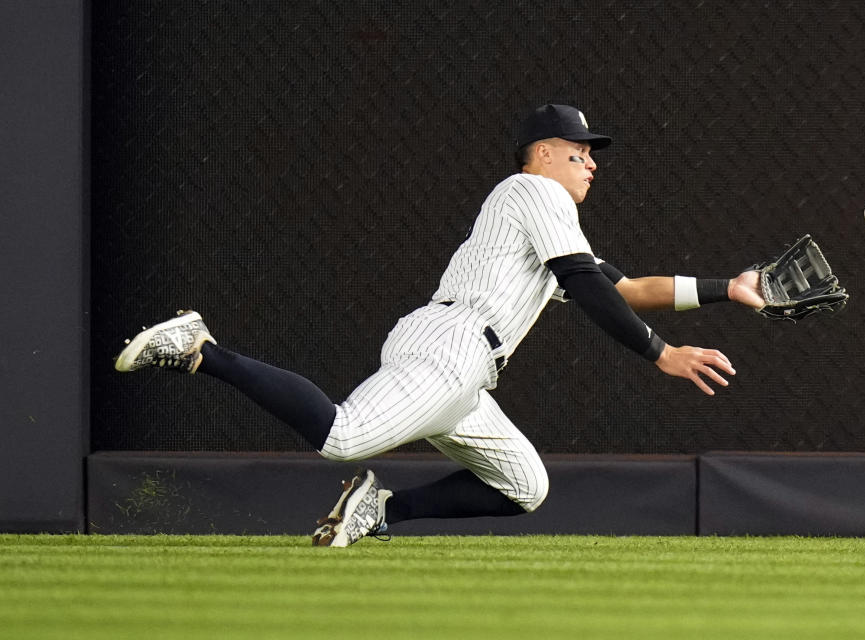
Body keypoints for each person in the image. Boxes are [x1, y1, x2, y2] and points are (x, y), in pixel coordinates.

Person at [115, 104, 764, 547]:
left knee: (524, 486)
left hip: (466, 369)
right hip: (451, 349)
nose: (592, 162)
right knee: (342, 435)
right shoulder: (533, 193)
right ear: (543, 153)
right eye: (580, 151)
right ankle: (200, 346)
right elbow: (588, 285)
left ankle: (377, 510)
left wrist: (726, 290)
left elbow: (626, 288)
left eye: (593, 154)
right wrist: (660, 354)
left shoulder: (550, 224)